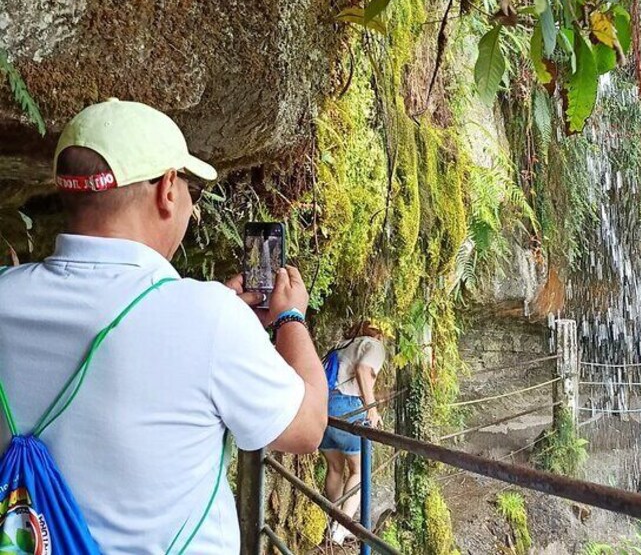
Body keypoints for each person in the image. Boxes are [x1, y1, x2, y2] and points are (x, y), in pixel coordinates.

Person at [0, 99, 328, 553]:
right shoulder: (209, 318)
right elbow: (308, 428)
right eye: (190, 187)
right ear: (168, 189)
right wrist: (290, 317)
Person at [319, 320, 387, 545]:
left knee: (335, 467)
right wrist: (371, 409)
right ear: (378, 334)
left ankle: (334, 520)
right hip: (347, 407)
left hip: (321, 409)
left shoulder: (340, 346)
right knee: (359, 470)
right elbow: (363, 370)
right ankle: (340, 530)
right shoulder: (373, 345)